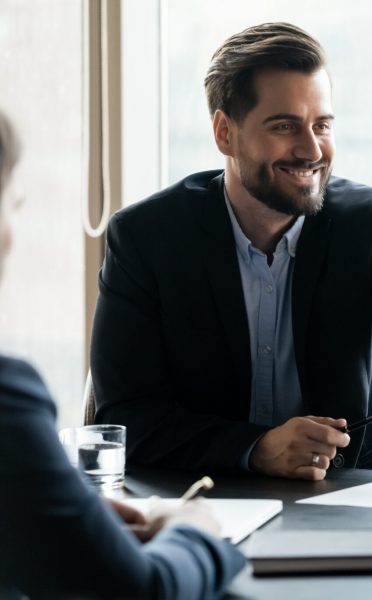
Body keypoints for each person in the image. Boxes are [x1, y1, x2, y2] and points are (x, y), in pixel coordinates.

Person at [90, 22, 372, 480]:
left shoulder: (367, 223)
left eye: (323, 125)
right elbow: (125, 419)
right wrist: (255, 448)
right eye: (285, 126)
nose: (311, 149)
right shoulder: (147, 238)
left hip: (353, 495)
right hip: (203, 498)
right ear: (224, 133)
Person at [0, 110, 245, 598]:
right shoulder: (8, 400)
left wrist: (58, 511)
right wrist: (197, 530)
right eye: (13, 203)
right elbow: (142, 591)